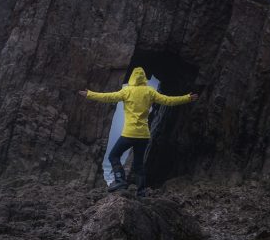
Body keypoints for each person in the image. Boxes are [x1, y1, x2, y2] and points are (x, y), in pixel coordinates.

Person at [78, 66, 199, 196]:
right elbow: (168, 100)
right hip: (143, 135)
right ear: (143, 78)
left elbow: (107, 97)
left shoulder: (127, 91)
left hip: (129, 134)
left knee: (113, 156)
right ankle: (141, 192)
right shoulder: (150, 91)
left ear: (132, 77)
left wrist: (89, 94)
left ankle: (120, 180)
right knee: (139, 165)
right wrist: (187, 98)